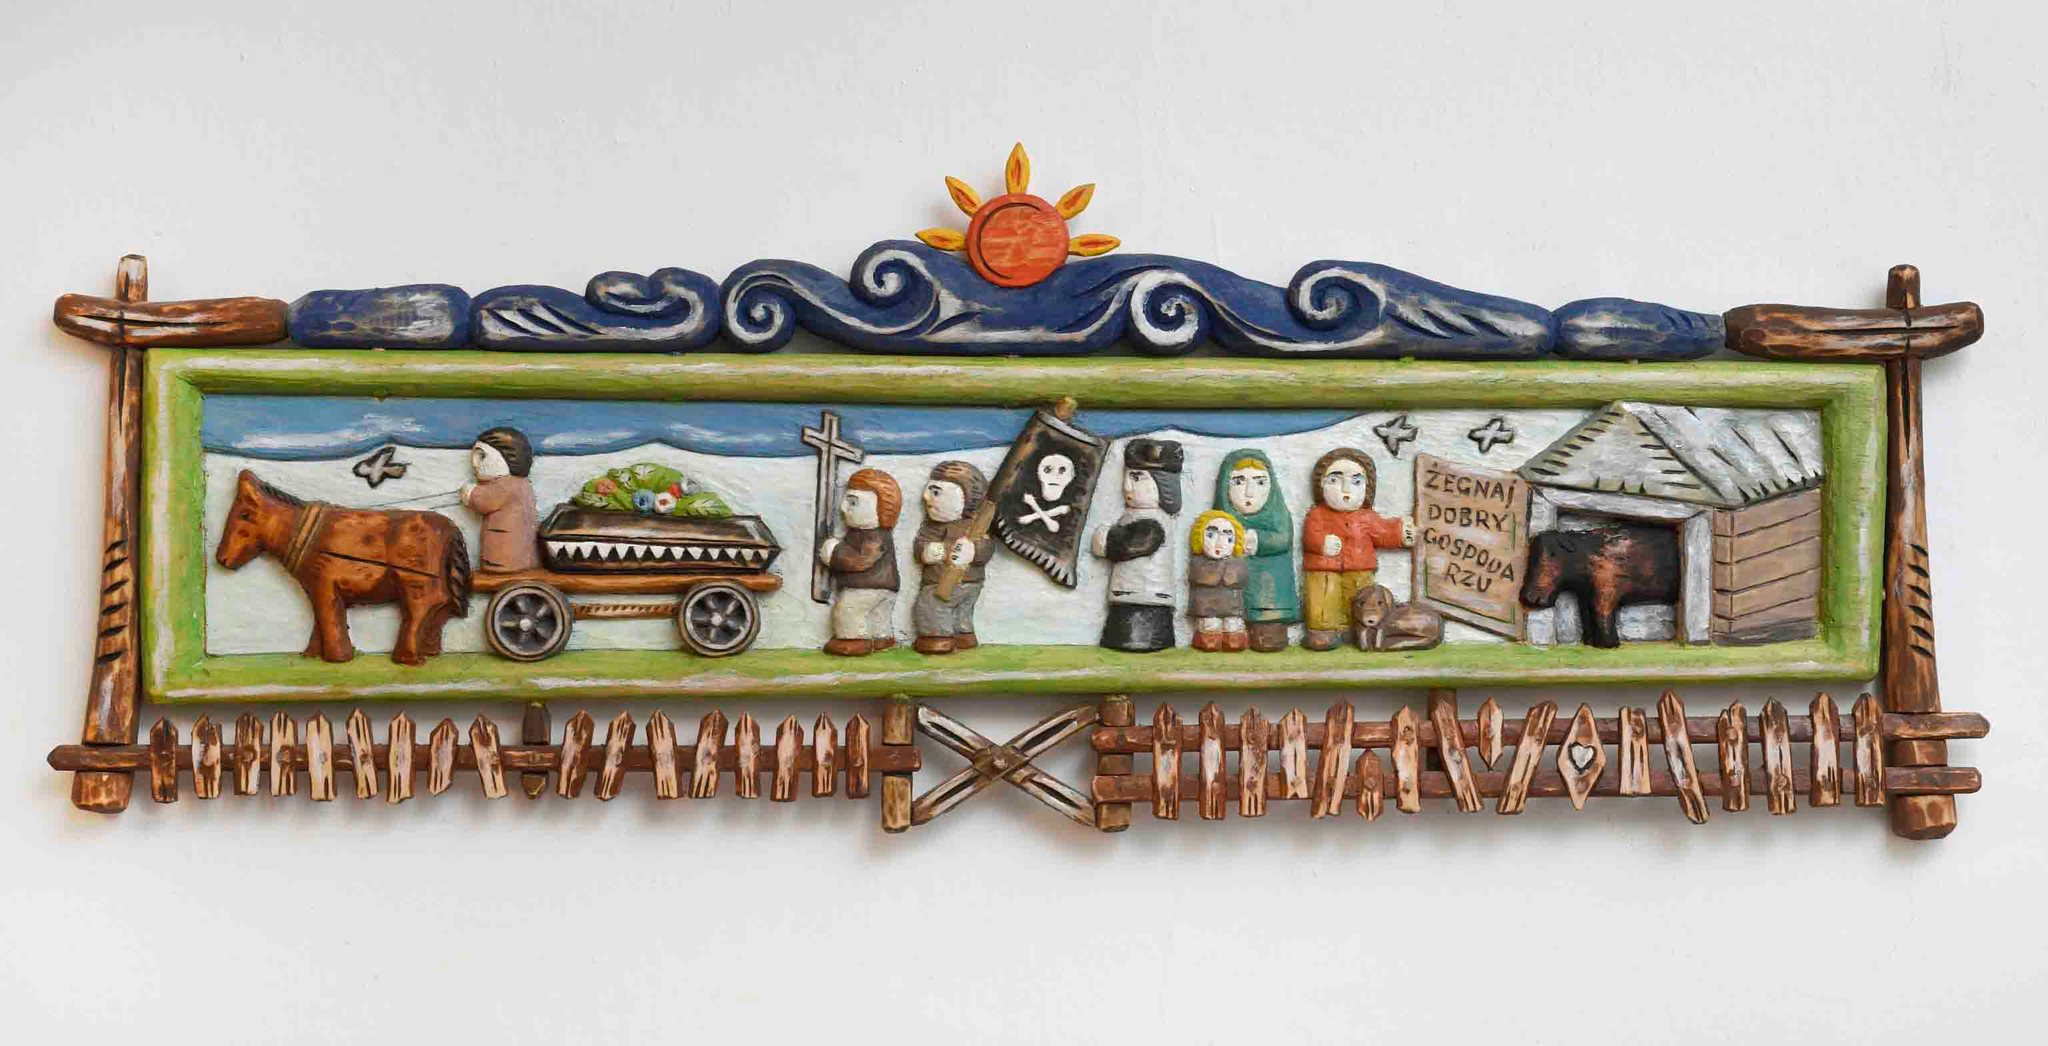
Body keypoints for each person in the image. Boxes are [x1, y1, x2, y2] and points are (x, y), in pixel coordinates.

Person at [1300, 447, 1414, 651]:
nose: (1346, 490)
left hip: (1359, 569)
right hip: (1324, 570)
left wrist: (1400, 532)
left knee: (1361, 598)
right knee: (1324, 598)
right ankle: (1324, 631)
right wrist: (1322, 544)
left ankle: (1357, 629)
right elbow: (1310, 536)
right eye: (1334, 480)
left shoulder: (1366, 517)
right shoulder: (1317, 515)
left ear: (1367, 488)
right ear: (1321, 485)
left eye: (1356, 482)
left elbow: (1383, 532)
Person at [1091, 438, 1183, 652]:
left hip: (1146, 597)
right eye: (1127, 477)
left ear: (1162, 485)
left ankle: (1143, 642)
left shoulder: (1154, 521)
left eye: (1137, 478)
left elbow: (1128, 544)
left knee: (1137, 633)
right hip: (1128, 595)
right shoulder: (1133, 516)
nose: (1127, 486)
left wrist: (1104, 538)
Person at [1212, 449, 1297, 652]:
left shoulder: (1278, 514)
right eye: (1238, 482)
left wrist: (1258, 540)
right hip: (1230, 593)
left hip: (1269, 589)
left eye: (1260, 482)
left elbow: (1283, 538)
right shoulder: (1219, 519)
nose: (1249, 493)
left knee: (1268, 636)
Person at [912, 460, 994, 655]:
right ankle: (963, 635)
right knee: (959, 612)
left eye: (936, 492)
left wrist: (973, 550)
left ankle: (936, 637)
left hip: (957, 582)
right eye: (928, 490)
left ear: (964, 497)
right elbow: (920, 546)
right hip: (950, 580)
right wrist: (927, 551)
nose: (926, 497)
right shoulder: (931, 527)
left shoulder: (974, 526)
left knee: (930, 606)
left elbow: (986, 547)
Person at [819, 468, 902, 656]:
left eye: (853, 502)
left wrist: (833, 554)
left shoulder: (875, 537)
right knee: (878, 616)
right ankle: (881, 638)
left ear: (880, 508)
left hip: (868, 587)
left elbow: (860, 560)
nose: (843, 508)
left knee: (848, 610)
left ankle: (853, 640)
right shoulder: (864, 533)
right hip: (884, 586)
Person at [460, 427, 539, 574]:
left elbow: (480, 501)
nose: (475, 464)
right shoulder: (522, 484)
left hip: (504, 558)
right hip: (522, 554)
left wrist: (468, 491)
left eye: (482, 457)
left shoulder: (505, 486)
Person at [1187, 509, 1249, 652]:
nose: (1219, 543)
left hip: (1232, 606)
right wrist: (1221, 571)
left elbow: (1239, 578)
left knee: (1233, 626)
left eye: (1228, 539)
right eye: (1210, 535)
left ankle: (1233, 640)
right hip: (1207, 607)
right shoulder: (1198, 562)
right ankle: (1208, 640)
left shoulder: (1237, 563)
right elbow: (1204, 578)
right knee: (1210, 627)